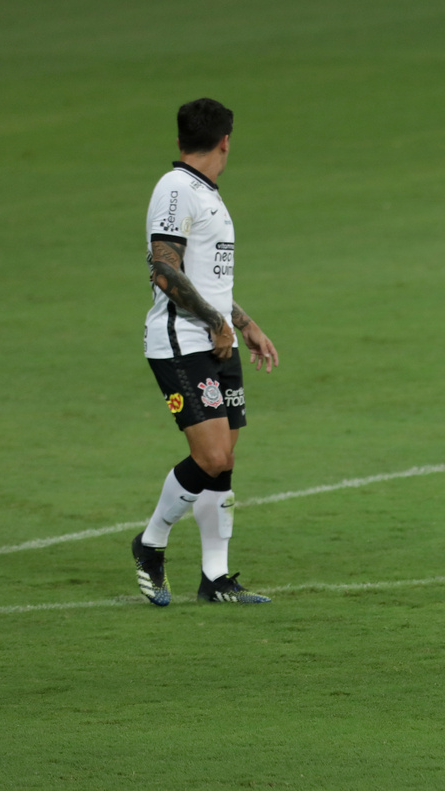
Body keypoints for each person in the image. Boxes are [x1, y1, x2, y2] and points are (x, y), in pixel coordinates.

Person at [133, 98, 279, 605]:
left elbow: (203, 277)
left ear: (180, 140)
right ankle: (150, 543)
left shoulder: (205, 194)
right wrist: (217, 323)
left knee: (224, 461)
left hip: (217, 339)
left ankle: (215, 580)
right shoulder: (176, 189)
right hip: (182, 343)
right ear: (225, 141)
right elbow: (164, 270)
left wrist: (243, 322)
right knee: (211, 455)